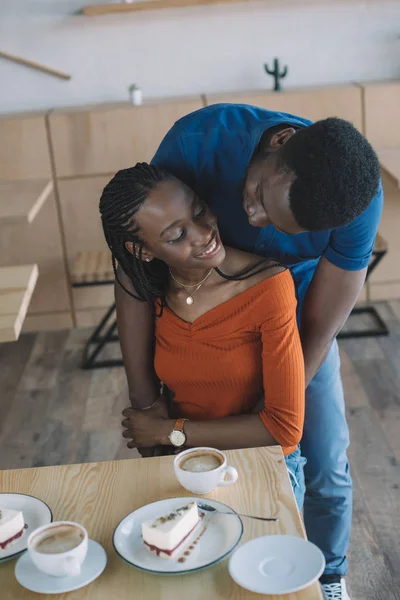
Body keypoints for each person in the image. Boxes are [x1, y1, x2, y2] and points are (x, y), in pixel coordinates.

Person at [111, 108, 383, 600]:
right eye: (257, 195)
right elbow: (136, 261)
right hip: (207, 295)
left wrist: (281, 400)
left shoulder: (356, 202)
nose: (254, 218)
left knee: (323, 461)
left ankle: (329, 575)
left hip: (296, 306)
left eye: (282, 226)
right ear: (279, 142)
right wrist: (146, 399)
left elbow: (320, 327)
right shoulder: (197, 141)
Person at [99, 163, 307, 508]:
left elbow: (283, 430)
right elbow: (145, 404)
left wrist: (171, 431)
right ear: (142, 251)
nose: (203, 234)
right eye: (176, 236)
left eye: (199, 211)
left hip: (262, 465)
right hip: (184, 465)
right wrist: (166, 471)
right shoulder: (143, 287)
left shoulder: (269, 287)